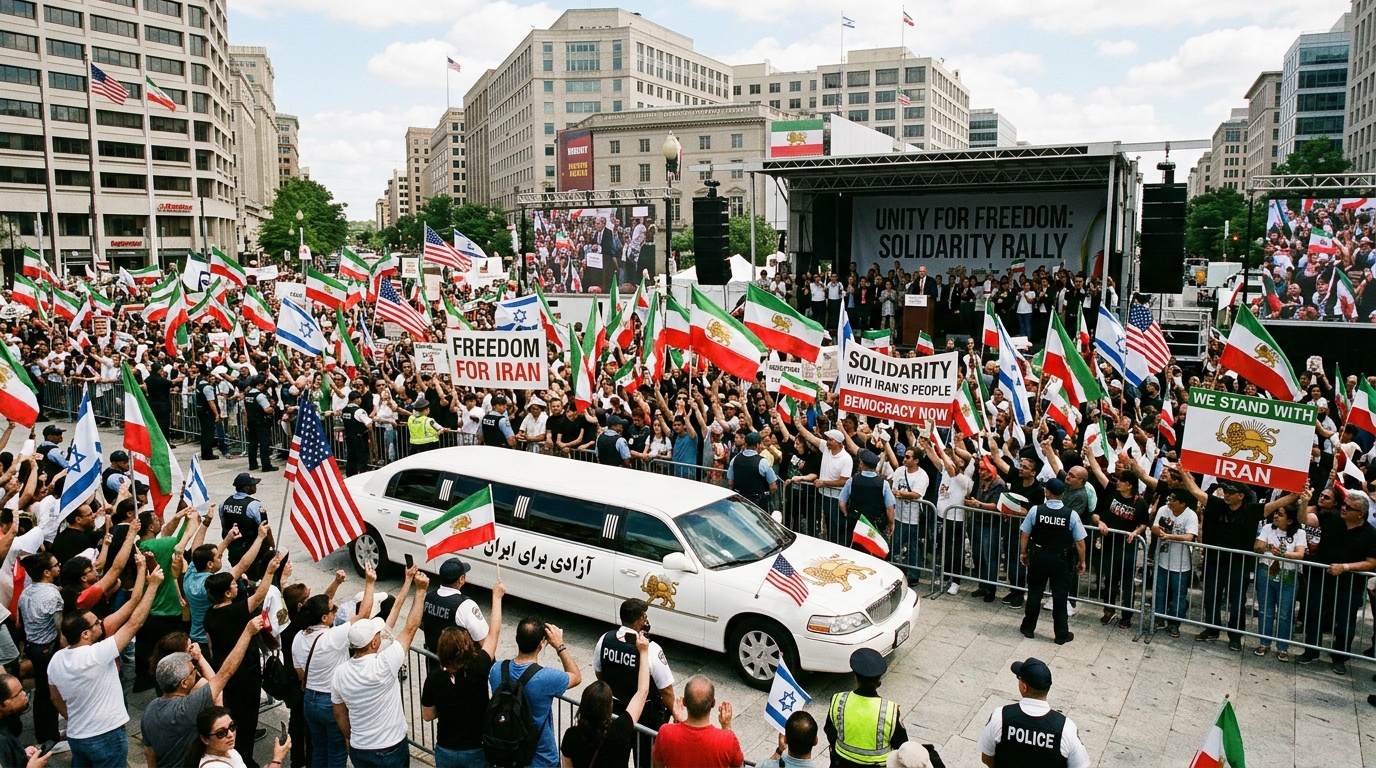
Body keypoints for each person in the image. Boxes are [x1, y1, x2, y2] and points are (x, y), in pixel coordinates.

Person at [48, 555, 163, 767]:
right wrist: (153, 585)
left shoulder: (56, 660)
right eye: (95, 624)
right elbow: (134, 623)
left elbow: (55, 698)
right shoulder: (98, 655)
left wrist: (75, 719)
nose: (100, 623)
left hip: (77, 735)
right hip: (106, 734)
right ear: (84, 634)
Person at [331, 568, 430, 767]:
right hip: (390, 746)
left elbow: (339, 713)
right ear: (375, 643)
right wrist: (420, 592)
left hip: (360, 747)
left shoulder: (340, 673)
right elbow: (410, 629)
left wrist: (350, 738)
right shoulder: (384, 664)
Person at [141, 616, 265, 768]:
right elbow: (224, 675)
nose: (195, 670)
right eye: (192, 669)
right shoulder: (187, 709)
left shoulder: (150, 709)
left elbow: (149, 753)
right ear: (184, 683)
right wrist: (247, 632)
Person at [203, 551, 284, 768]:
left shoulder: (210, 614)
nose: (236, 584)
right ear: (227, 593)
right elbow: (259, 597)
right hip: (245, 672)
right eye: (233, 584)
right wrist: (270, 571)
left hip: (224, 670)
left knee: (236, 713)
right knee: (247, 720)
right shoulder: (236, 613)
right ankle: (244, 758)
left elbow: (210, 645)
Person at [295, 563, 377, 768]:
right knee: (337, 752)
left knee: (319, 749)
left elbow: (300, 673)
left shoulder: (299, 637)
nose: (336, 610)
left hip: (309, 701)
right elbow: (364, 615)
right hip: (329, 702)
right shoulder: (332, 637)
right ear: (324, 618)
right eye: (333, 609)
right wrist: (369, 583)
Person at [421, 576, 504, 768]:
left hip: (446, 749)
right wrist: (497, 598)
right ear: (467, 647)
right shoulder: (479, 667)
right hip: (476, 748)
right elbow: (493, 634)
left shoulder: (433, 678)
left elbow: (427, 715)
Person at [1297, 491, 1376, 675]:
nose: (1343, 508)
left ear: (1360, 513)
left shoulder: (1371, 534)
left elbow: (1372, 562)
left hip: (1349, 585)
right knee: (1314, 614)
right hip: (1321, 578)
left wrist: (1345, 567)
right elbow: (1304, 520)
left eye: (1349, 507)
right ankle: (1311, 651)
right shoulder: (1331, 518)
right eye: (1344, 504)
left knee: (1345, 623)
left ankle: (1339, 657)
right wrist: (1304, 502)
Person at [1182, 476, 1264, 651]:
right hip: (1214, 562)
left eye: (1230, 492)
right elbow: (1196, 492)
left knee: (1237, 602)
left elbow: (1275, 505)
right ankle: (1212, 629)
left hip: (1239, 566)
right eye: (1225, 491)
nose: (1226, 495)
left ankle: (1235, 636)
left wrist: (1297, 495)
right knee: (1211, 598)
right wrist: (1184, 473)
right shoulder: (1217, 505)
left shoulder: (1251, 511)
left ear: (1241, 495)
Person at [489, 617, 584, 768]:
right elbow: (576, 676)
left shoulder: (496, 670)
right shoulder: (546, 677)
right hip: (541, 759)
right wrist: (559, 646)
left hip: (506, 752)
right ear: (541, 643)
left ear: (516, 639)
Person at [593, 599, 676, 768]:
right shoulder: (651, 649)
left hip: (613, 711)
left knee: (615, 759)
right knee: (645, 761)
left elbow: (599, 673)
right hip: (645, 716)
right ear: (640, 619)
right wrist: (677, 713)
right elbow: (666, 690)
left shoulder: (605, 639)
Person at [562, 629, 652, 768]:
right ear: (610, 707)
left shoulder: (571, 736)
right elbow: (642, 692)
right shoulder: (619, 730)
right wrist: (644, 652)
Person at [977, 658, 1090, 767]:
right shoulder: (1065, 728)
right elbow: (1081, 764)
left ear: (1024, 687)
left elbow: (986, 757)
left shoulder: (1000, 716)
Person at [1018, 478, 1087, 645]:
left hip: (1039, 556)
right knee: (1060, 597)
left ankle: (1028, 628)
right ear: (1062, 495)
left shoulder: (1035, 511)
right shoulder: (1071, 515)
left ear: (1046, 492)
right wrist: (1082, 562)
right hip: (1060, 559)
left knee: (1034, 593)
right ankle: (1061, 634)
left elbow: (1025, 534)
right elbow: (1079, 541)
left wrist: (1023, 553)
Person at [825, 648, 919, 768]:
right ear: (879, 682)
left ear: (855, 678)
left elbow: (830, 731)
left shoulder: (837, 700)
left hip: (841, 763)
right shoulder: (890, 710)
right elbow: (902, 745)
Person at [1252, 505, 1307, 662]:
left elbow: (1300, 554)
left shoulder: (1299, 532)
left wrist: (1283, 554)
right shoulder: (1268, 528)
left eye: (1280, 515)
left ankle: (1283, 647)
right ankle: (1264, 642)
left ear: (1290, 520)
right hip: (1266, 572)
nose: (1276, 516)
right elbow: (1258, 547)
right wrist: (1270, 548)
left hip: (1288, 575)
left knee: (1285, 613)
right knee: (1265, 610)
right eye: (1276, 513)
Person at [651, 675, 742, 768]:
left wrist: (678, 722)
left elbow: (658, 764)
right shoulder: (728, 739)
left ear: (684, 702)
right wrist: (726, 726)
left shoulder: (665, 733)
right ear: (713, 703)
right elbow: (737, 764)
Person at [1152, 489, 1200, 638]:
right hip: (1162, 560)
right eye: (1169, 499)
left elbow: (1190, 536)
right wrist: (1158, 532)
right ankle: (1158, 618)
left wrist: (1170, 536)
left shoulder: (1191, 515)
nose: (1170, 502)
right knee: (1160, 591)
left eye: (1173, 500)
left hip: (1181, 564)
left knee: (1179, 595)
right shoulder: (1163, 509)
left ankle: (1174, 623)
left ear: (1183, 503)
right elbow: (1153, 527)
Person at [421, 557, 490, 657]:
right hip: (458, 666)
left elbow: (422, 623)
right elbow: (484, 640)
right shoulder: (466, 605)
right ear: (461, 579)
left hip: (434, 662)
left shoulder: (429, 597)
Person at [187, 705, 292, 768]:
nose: (230, 734)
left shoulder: (229, 751)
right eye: (221, 733)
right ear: (205, 739)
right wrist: (277, 759)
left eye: (232, 726)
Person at [839, 449, 896, 555]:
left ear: (861, 463)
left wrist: (848, 515)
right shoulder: (883, 484)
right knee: (873, 553)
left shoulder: (852, 480)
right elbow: (890, 508)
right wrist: (891, 523)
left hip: (856, 522)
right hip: (875, 525)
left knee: (854, 552)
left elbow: (842, 502)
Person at [220, 473, 274, 580]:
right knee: (256, 579)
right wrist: (272, 547)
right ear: (246, 488)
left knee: (238, 578)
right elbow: (265, 529)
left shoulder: (224, 503)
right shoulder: (254, 505)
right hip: (254, 551)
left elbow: (225, 525)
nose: (255, 487)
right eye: (253, 485)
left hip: (234, 550)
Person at [0, 673, 52, 768]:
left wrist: (22, 750)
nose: (24, 694)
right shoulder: (2, 742)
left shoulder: (7, 720)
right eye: (19, 692)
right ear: (5, 704)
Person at [727, 432, 778, 508]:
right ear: (758, 445)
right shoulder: (763, 462)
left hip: (739, 501)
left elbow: (730, 482)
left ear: (746, 444)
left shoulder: (735, 459)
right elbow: (773, 487)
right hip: (758, 504)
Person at [244, 375, 279, 472]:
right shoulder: (260, 396)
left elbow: (245, 411)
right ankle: (266, 465)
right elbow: (267, 409)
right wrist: (273, 407)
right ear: (259, 385)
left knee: (253, 444)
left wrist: (246, 423)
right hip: (261, 422)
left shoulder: (248, 395)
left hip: (251, 422)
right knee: (264, 444)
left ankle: (253, 464)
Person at [341, 390, 373, 476]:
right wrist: (370, 434)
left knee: (351, 457)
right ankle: (362, 476)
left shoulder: (345, 410)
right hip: (360, 437)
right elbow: (368, 424)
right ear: (357, 399)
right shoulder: (359, 411)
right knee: (362, 457)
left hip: (349, 437)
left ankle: (350, 475)